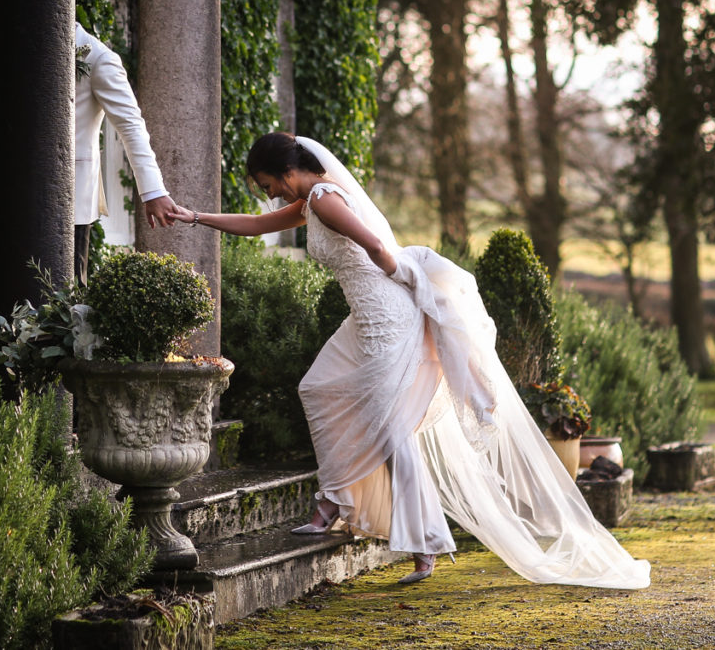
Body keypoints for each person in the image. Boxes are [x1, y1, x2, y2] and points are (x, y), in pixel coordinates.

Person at [170, 132, 650, 588]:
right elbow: (255, 226)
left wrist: (410, 281)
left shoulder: (323, 200)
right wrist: (193, 217)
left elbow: (378, 247)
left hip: (386, 317)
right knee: (318, 388)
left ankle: (415, 542)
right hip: (365, 317)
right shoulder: (313, 202)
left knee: (390, 427)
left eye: (267, 183)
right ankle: (336, 502)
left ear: (285, 170)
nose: (269, 195)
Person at [74, 22, 178, 284]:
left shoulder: (98, 57)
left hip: (71, 199)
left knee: (61, 294)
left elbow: (131, 126)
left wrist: (153, 191)